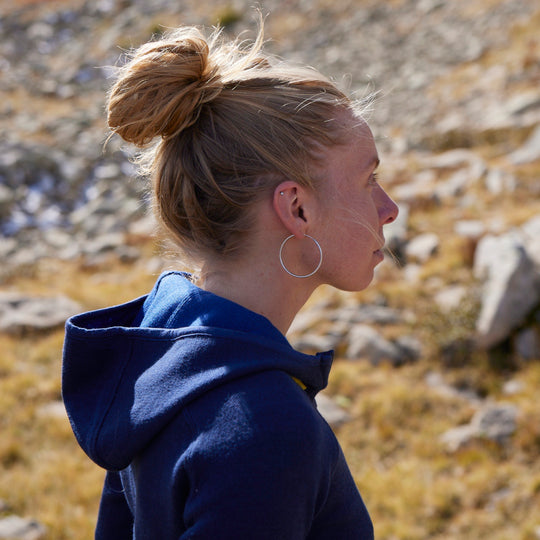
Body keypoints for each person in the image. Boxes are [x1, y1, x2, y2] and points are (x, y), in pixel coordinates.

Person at [62, 21, 398, 540]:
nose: (389, 208)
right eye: (368, 179)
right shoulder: (262, 433)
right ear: (297, 208)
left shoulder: (158, 357)